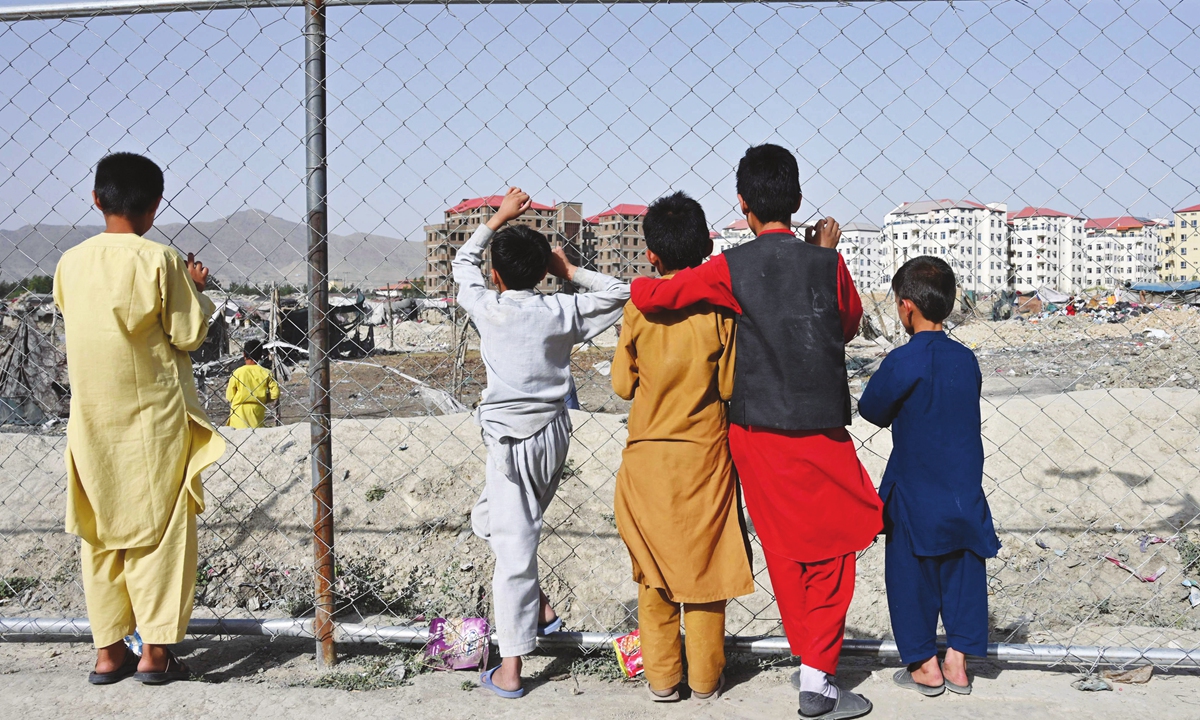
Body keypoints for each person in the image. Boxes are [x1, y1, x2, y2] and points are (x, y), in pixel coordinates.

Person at [630, 144, 881, 720]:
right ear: (796, 200)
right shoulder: (827, 262)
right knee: (840, 540)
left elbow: (658, 294)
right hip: (820, 427)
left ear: (741, 204)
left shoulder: (729, 268)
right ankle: (817, 673)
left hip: (755, 433)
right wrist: (824, 254)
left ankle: (813, 672)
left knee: (785, 547)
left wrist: (637, 286)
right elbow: (846, 324)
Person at [53, 152, 227, 685]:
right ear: (154, 207)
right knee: (162, 533)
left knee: (102, 536)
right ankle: (154, 655)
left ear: (96, 199)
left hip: (91, 425)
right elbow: (189, 334)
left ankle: (108, 654)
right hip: (153, 424)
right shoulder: (161, 261)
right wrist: (194, 285)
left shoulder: (69, 263)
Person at [454, 187, 630, 699]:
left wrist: (496, 219)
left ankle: (511, 670)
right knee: (490, 521)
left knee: (513, 549)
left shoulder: (488, 306)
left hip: (510, 442)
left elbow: (463, 261)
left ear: (496, 276)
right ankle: (542, 608)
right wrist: (570, 270)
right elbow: (619, 291)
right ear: (543, 273)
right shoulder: (559, 311)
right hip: (553, 436)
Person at [611, 191, 754, 702]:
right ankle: (705, 680)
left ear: (652, 253)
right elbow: (733, 384)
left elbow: (623, 386)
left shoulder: (638, 307)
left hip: (648, 459)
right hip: (704, 458)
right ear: (704, 246)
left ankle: (662, 680)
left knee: (655, 574)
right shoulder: (718, 309)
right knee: (705, 573)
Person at [857, 256, 999, 698]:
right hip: (962, 487)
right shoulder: (966, 360)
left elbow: (871, 409)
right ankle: (958, 661)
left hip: (915, 487)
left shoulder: (903, 360)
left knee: (910, 573)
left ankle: (922, 663)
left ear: (906, 307)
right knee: (963, 570)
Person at [226, 338, 280, 428]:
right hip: (257, 410)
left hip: (238, 412)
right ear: (260, 356)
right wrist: (263, 398)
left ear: (244, 354)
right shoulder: (266, 372)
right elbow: (275, 393)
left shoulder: (237, 373)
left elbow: (229, 396)